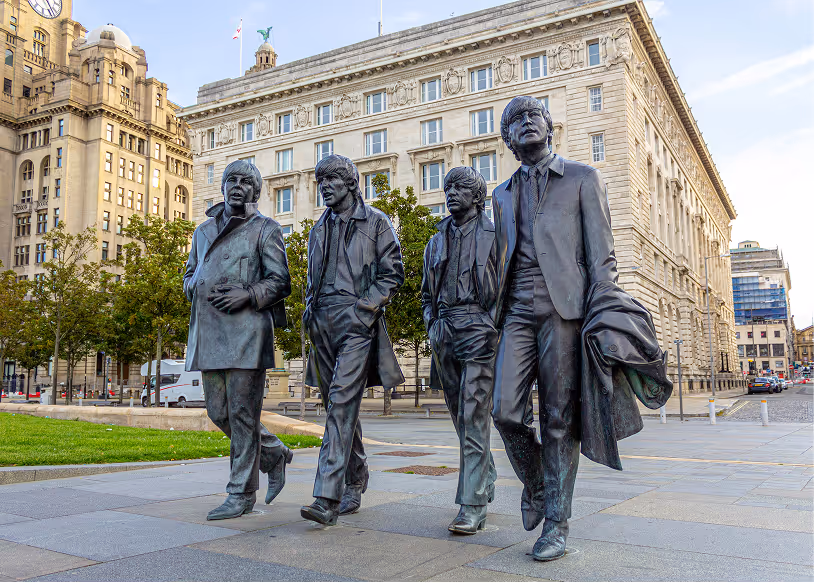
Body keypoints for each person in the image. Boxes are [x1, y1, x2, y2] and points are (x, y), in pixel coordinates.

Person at [490, 96, 617, 561]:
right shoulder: (500, 194)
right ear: (506, 139)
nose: (525, 124)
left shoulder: (583, 178)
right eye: (515, 121)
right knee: (504, 411)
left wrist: (603, 311)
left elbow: (602, 254)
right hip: (517, 312)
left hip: (566, 310)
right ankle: (541, 485)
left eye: (533, 117)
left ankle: (557, 524)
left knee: (559, 419)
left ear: (549, 128)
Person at [184, 159, 294, 520]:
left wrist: (247, 293)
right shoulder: (202, 232)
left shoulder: (266, 228)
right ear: (222, 187)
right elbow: (189, 274)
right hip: (210, 329)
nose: (237, 185)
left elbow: (280, 281)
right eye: (231, 179)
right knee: (218, 412)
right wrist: (194, 288)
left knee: (243, 413)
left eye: (246, 182)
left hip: (248, 330)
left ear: (256, 191)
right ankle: (273, 452)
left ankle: (241, 493)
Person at [300, 154, 405, 526]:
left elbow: (393, 273)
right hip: (322, 325)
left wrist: (365, 310)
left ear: (350, 183)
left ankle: (326, 496)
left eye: (331, 178)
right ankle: (356, 477)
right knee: (338, 407)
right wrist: (309, 313)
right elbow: (310, 280)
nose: (324, 185)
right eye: (320, 180)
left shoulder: (376, 222)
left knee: (343, 403)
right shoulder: (317, 230)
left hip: (357, 321)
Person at [421, 166, 498, 534]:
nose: (451, 192)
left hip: (479, 329)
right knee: (460, 417)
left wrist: (491, 324)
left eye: (461, 187)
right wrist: (431, 324)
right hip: (444, 331)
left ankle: (472, 504)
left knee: (473, 415)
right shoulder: (435, 240)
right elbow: (426, 294)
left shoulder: (496, 235)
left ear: (477, 196)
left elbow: (509, 286)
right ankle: (485, 475)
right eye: (448, 187)